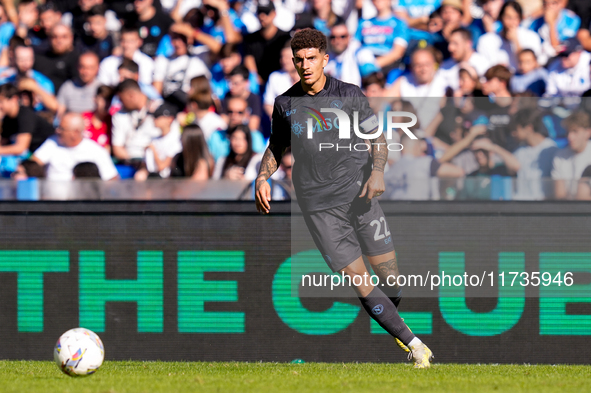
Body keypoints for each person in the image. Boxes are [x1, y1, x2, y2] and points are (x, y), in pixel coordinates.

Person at [254, 28, 434, 368]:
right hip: (319, 207)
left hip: (360, 196)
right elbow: (276, 147)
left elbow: (378, 138)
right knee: (361, 282)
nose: (305, 65)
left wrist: (378, 171)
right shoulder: (285, 104)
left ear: (325, 59)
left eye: (311, 58)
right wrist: (262, 175)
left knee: (392, 282)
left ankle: (393, 325)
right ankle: (416, 346)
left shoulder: (349, 95)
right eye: (298, 60)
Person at [32, 112, 118, 181]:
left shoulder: (96, 151)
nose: (57, 131)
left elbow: (112, 179)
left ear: (75, 132)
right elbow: (33, 164)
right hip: (52, 198)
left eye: (62, 128)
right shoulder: (52, 142)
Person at [477, 1, 544, 73]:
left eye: (516, 18)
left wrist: (516, 42)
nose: (512, 23)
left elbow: (533, 66)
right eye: (508, 18)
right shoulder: (486, 40)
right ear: (501, 18)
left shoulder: (532, 37)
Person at [153, 30, 210, 110]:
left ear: (189, 40)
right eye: (175, 38)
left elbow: (203, 91)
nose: (178, 43)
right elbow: (156, 90)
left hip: (189, 106)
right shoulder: (162, 60)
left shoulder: (197, 62)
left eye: (182, 39)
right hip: (167, 105)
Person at [0, 83, 54, 164]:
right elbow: (3, 142)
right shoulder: (7, 118)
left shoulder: (25, 115)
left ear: (14, 99)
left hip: (47, 155)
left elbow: (20, 148)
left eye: (1, 102)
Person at [111, 79, 162, 161]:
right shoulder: (119, 115)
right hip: (131, 161)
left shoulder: (160, 109)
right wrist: (134, 162)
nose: (120, 103)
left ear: (131, 95)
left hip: (155, 160)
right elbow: (117, 149)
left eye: (121, 99)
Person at [355, 0, 408, 75]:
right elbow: (354, 47)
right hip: (363, 63)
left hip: (388, 67)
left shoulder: (399, 23)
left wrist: (373, 65)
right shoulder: (363, 23)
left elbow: (397, 52)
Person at [243, 1, 290, 85]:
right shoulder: (250, 39)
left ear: (274, 14)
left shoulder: (284, 38)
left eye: (266, 12)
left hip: (281, 82)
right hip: (258, 84)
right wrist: (257, 79)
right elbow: (249, 62)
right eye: (259, 12)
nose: (262, 16)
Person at [134, 103, 182, 180]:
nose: (154, 119)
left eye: (157, 116)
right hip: (153, 178)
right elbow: (146, 166)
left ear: (170, 119)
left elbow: (162, 167)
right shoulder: (153, 139)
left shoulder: (176, 140)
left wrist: (153, 150)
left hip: (169, 181)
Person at [324, 21, 379, 87]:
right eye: (333, 37)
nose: (337, 40)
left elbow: (373, 77)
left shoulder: (360, 53)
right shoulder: (327, 58)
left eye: (342, 36)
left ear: (349, 37)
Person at [552, 110, 591, 199]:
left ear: (588, 132)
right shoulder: (559, 156)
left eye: (575, 131)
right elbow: (560, 195)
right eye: (568, 132)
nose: (570, 137)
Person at [33, 24, 79, 92]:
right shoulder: (39, 58)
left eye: (64, 37)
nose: (59, 40)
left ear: (71, 38)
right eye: (55, 37)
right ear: (49, 38)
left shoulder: (77, 60)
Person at [57, 51, 102, 115]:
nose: (86, 72)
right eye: (83, 67)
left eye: (90, 68)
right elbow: (60, 113)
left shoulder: (102, 89)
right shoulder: (67, 87)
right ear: (77, 67)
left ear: (97, 68)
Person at [264, 42, 300, 117]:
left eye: (287, 57)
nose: (283, 61)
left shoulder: (309, 76)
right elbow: (268, 104)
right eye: (282, 57)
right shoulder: (275, 77)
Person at [81, 84, 113, 151]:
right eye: (102, 100)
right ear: (95, 99)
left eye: (108, 100)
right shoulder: (83, 118)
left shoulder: (112, 122)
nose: (105, 104)